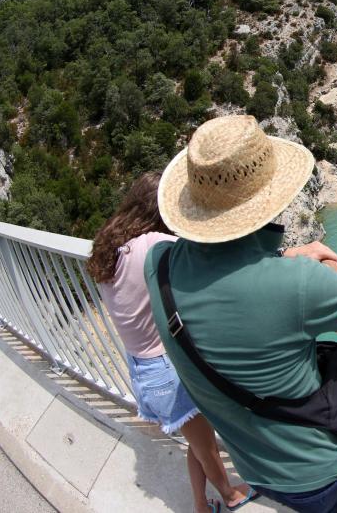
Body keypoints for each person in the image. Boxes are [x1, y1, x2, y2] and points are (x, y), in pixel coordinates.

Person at [144, 116, 337, 513]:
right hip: (318, 471)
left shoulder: (159, 266)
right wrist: (313, 261)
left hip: (252, 465)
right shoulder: (299, 281)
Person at [86, 173, 257, 513]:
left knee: (197, 441)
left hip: (141, 366)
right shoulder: (152, 245)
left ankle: (200, 505)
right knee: (205, 445)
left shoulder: (110, 246)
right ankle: (231, 496)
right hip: (166, 370)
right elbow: (201, 264)